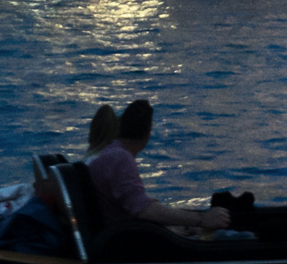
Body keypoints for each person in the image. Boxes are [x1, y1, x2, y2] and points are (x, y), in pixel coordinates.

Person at [87, 98, 228, 236]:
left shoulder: (110, 154)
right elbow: (144, 210)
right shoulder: (120, 158)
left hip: (123, 231)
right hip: (125, 240)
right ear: (148, 132)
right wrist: (201, 219)